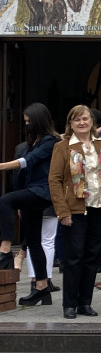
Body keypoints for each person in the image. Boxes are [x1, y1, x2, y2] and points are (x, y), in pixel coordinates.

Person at [48, 105, 101, 318]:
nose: (82, 123)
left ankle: (85, 303)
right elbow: (54, 180)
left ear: (92, 121)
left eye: (85, 119)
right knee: (74, 258)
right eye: (77, 120)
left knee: (92, 258)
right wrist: (62, 211)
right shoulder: (62, 147)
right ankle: (69, 304)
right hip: (75, 209)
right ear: (70, 124)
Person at [0, 104, 60, 305]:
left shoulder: (50, 141)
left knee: (6, 199)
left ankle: (5, 250)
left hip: (42, 191)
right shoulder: (34, 142)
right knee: (34, 242)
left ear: (38, 121)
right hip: (31, 192)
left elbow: (27, 162)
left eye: (28, 122)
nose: (26, 125)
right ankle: (42, 288)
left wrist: (2, 166)